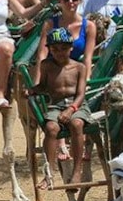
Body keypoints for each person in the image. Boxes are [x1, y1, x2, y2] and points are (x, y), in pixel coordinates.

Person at [31, 28, 92, 188]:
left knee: (76, 124)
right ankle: (49, 173)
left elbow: (80, 94)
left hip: (76, 104)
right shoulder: (46, 65)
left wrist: (71, 109)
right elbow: (44, 86)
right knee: (51, 128)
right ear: (49, 49)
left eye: (64, 48)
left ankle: (77, 171)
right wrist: (33, 90)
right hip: (56, 104)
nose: (59, 52)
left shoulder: (79, 67)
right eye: (55, 49)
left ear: (71, 48)